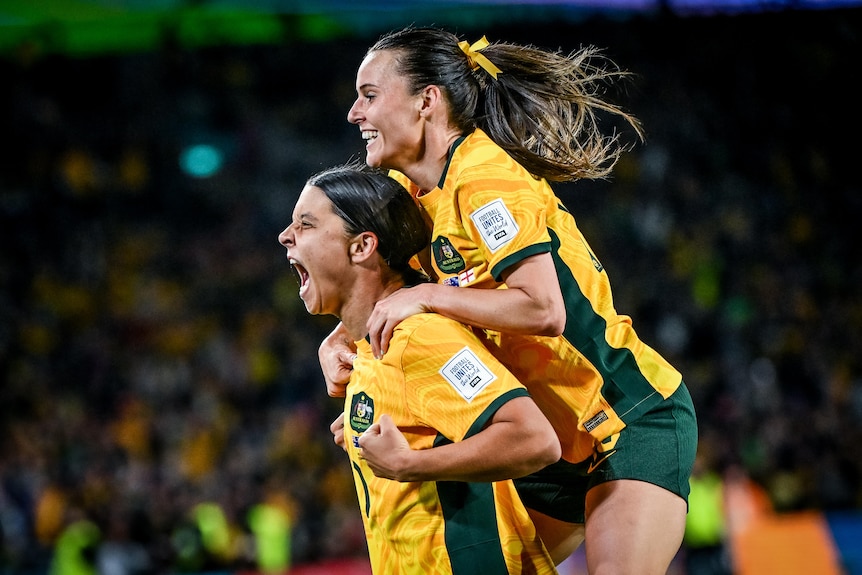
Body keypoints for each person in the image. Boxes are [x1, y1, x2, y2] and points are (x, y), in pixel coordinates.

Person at [320, 26, 698, 574]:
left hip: (626, 418)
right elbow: (377, 291)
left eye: (370, 94)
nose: (355, 112)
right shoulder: (409, 195)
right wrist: (338, 341)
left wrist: (427, 296)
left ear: (428, 101)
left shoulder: (484, 179)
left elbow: (543, 309)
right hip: (553, 443)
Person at [277, 163, 562, 575]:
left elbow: (534, 439)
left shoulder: (418, 337)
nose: (286, 236)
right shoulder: (370, 351)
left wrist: (410, 465)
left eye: (305, 224)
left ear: (361, 246)